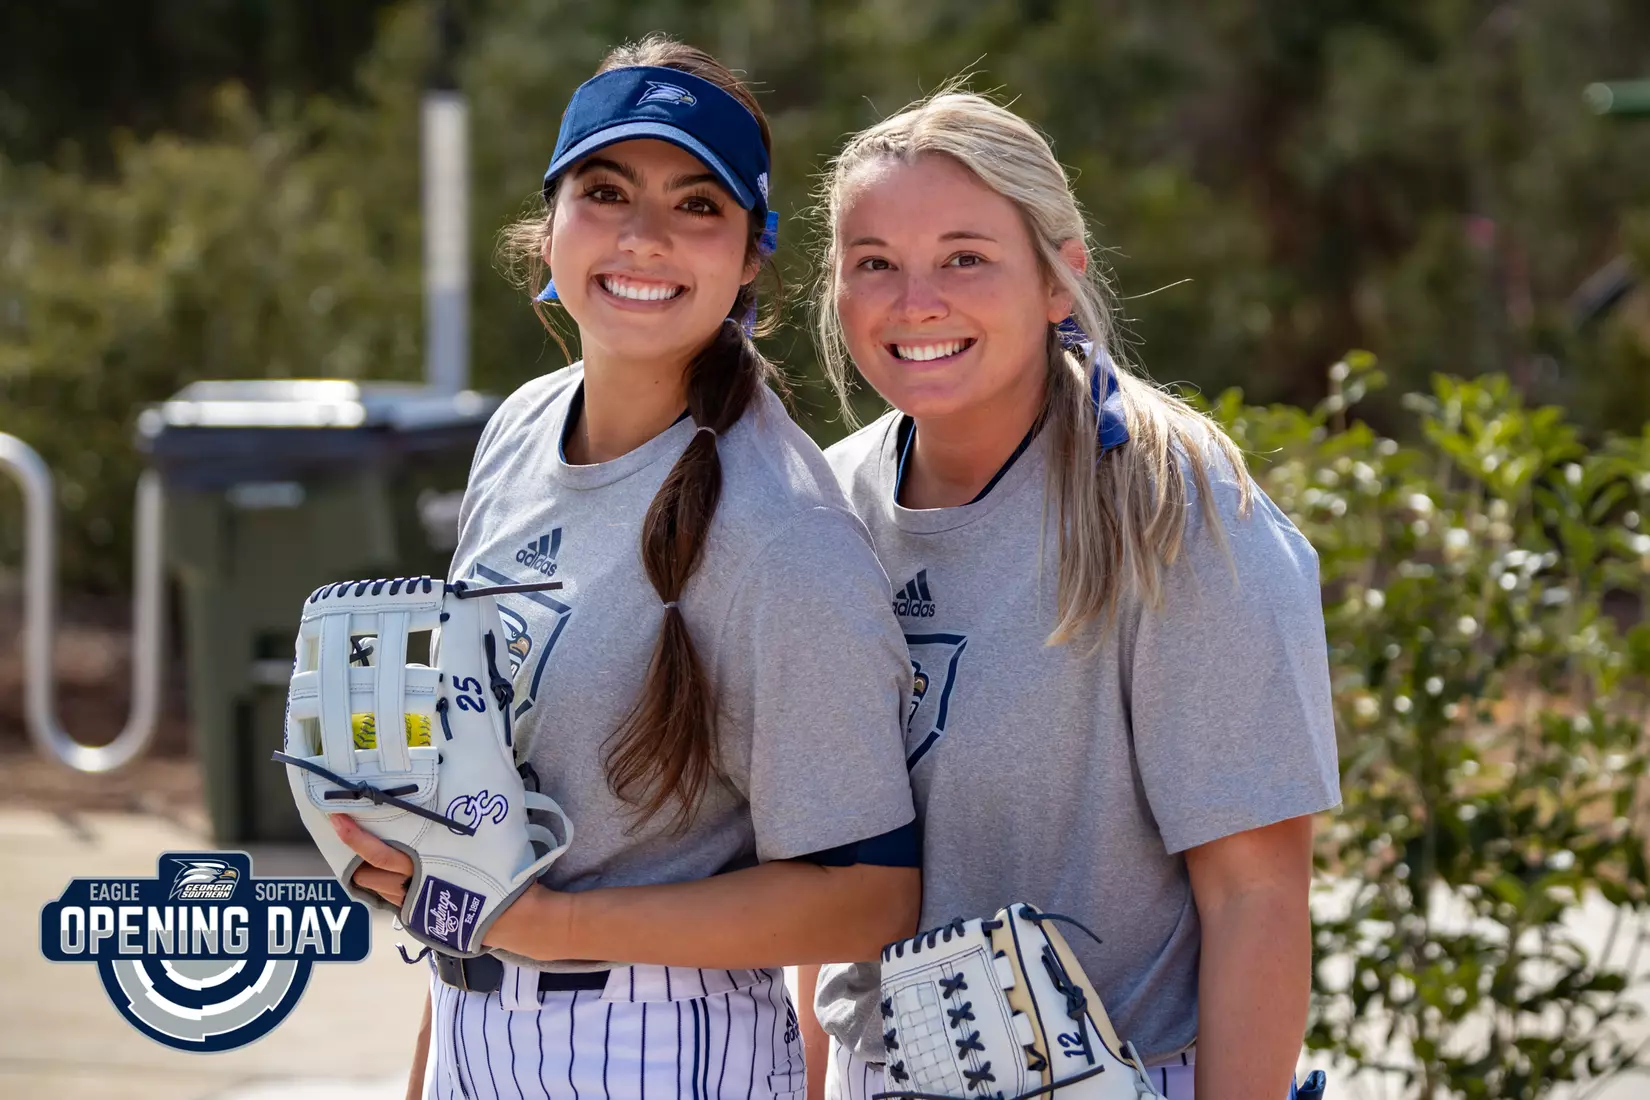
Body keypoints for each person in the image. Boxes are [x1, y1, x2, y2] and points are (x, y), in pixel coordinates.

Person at [330, 35, 920, 1100]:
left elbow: (867, 894)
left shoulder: (781, 530)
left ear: (750, 255)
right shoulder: (517, 429)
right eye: (606, 191)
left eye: (698, 205)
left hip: (657, 1047)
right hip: (476, 1018)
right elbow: (487, 823)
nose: (645, 238)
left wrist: (551, 922)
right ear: (546, 226)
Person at [798, 89, 1341, 1100]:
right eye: (876, 262)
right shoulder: (822, 506)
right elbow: (823, 892)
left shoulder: (1171, 507)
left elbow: (1258, 894)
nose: (916, 301)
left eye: (965, 256)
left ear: (1060, 276)